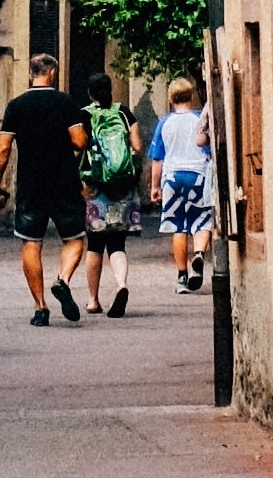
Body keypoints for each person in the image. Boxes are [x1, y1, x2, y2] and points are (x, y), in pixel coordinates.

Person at [4, 58, 92, 321]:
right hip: (64, 181)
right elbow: (79, 141)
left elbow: (2, 149)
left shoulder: (16, 106)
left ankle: (40, 308)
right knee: (74, 239)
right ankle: (62, 280)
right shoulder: (65, 102)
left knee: (31, 243)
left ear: (31, 74)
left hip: (30, 184)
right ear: (52, 73)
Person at [82, 75, 143, 318]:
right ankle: (121, 285)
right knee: (118, 243)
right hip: (123, 186)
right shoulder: (124, 113)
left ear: (90, 93)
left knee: (95, 244)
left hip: (96, 187)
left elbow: (78, 148)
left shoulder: (85, 115)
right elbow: (137, 147)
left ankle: (93, 300)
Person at [155, 83, 215, 289]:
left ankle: (182, 276)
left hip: (172, 177)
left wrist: (155, 186)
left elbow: (157, 158)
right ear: (191, 97)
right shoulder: (199, 119)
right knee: (202, 220)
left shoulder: (164, 123)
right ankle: (198, 254)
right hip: (197, 175)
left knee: (178, 226)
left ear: (171, 99)